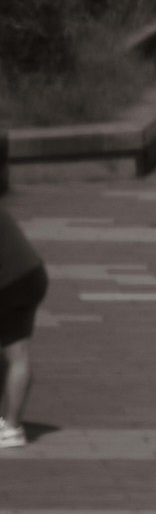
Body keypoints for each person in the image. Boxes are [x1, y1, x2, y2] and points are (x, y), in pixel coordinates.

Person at [0, 182, 42, 450]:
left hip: (13, 281)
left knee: (16, 354)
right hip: (26, 274)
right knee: (14, 353)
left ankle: (12, 428)